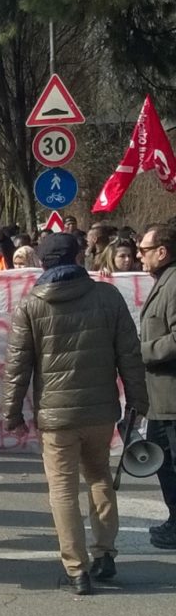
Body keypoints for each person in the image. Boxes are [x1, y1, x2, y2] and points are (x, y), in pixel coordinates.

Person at [1, 233, 147, 595]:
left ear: (43, 263)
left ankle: (77, 569)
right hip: (101, 411)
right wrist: (138, 403)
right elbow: (129, 353)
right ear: (79, 256)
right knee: (99, 477)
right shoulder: (108, 296)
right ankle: (105, 554)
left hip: (55, 416)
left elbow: (17, 367)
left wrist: (11, 412)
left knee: (62, 490)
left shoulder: (31, 305)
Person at [138, 225, 176, 549]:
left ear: (161, 251)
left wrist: (143, 351)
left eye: (144, 250)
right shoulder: (163, 282)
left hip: (172, 396)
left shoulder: (174, 282)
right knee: (161, 461)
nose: (139, 256)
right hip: (160, 399)